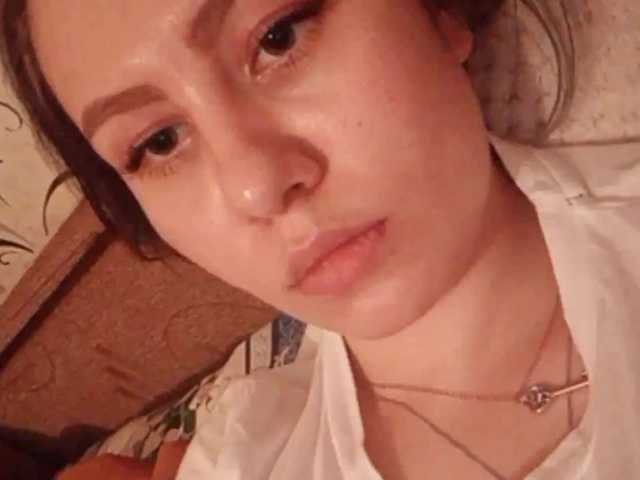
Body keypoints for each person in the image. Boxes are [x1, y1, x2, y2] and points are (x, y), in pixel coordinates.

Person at [1, 0, 638, 478]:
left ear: (438, 14)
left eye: (278, 37)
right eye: (158, 143)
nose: (256, 187)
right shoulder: (241, 461)